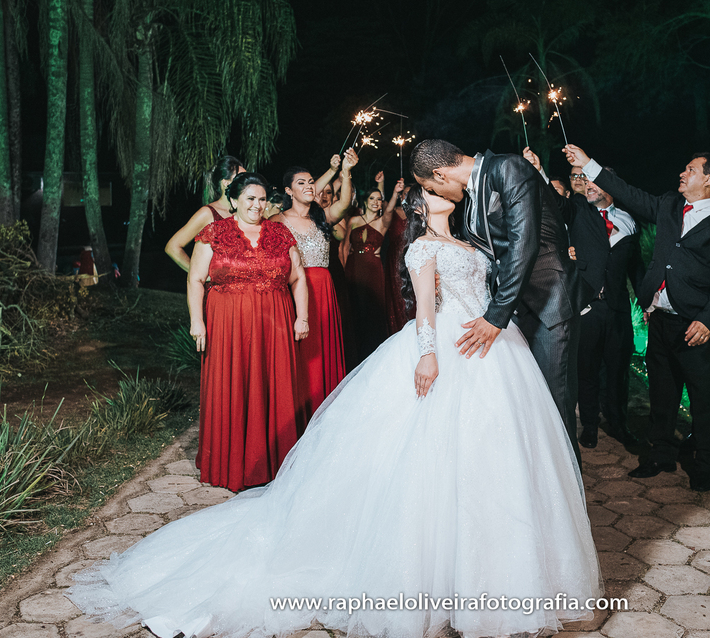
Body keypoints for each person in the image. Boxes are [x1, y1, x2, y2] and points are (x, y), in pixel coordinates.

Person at [66, 185, 601, 638]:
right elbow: (423, 309)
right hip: (447, 350)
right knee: (431, 463)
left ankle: (498, 573)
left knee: (495, 459)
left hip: (497, 351)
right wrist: (428, 355)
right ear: (420, 205)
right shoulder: (421, 249)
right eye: (435, 191)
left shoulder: (470, 240)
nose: (447, 194)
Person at [563, 144, 710, 492]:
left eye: (690, 170)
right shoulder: (670, 205)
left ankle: (705, 465)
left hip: (697, 328)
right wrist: (587, 163)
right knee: (661, 397)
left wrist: (708, 321)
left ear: (708, 179)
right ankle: (660, 455)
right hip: (660, 320)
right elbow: (627, 193)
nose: (682, 173)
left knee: (703, 401)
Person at [411, 139, 583, 460]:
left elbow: (524, 244)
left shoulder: (508, 168)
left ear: (440, 174)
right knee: (529, 412)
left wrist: (495, 316)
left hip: (548, 307)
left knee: (555, 413)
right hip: (516, 315)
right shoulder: (471, 202)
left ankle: (569, 505)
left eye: (429, 188)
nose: (434, 195)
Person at [187, 172, 310, 491]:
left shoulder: (280, 233)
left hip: (274, 324)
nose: (257, 205)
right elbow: (196, 279)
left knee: (273, 385)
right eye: (250, 199)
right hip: (228, 326)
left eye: (262, 199)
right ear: (234, 201)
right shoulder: (213, 233)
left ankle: (274, 463)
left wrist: (303, 317)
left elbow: (298, 278)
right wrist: (196, 321)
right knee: (234, 383)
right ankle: (232, 463)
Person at [524, 148, 642, 449]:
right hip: (586, 307)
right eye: (586, 182)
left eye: (594, 183)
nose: (587, 186)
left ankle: (619, 424)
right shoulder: (578, 209)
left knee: (617, 370)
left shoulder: (629, 221)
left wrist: (648, 301)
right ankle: (589, 425)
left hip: (617, 309)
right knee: (586, 370)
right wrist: (538, 170)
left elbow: (636, 267)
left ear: (610, 187)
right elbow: (553, 202)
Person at [273, 153, 358, 419]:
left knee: (323, 350)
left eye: (312, 182)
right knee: (302, 352)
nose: (310, 186)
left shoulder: (322, 217)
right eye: (302, 183)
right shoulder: (277, 221)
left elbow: (344, 202)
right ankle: (298, 409)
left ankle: (324, 410)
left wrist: (345, 171)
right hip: (296, 290)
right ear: (288, 190)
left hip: (324, 289)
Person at [344, 172, 405, 361]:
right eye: (372, 198)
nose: (376, 202)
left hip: (373, 269)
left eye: (379, 199)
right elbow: (346, 247)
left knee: (373, 311)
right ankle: (355, 352)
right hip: (354, 268)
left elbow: (389, 210)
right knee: (356, 309)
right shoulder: (353, 221)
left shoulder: (382, 222)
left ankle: (373, 353)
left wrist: (394, 192)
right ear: (365, 201)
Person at [164, 155, 245, 272]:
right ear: (226, 183)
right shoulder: (208, 213)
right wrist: (199, 274)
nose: (248, 182)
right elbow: (172, 247)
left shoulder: (245, 212)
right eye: (241, 179)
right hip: (217, 289)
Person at [383, 180, 413, 335]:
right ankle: (398, 332)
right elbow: (386, 211)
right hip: (395, 260)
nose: (406, 197)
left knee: (412, 296)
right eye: (404, 194)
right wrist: (394, 192)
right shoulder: (392, 212)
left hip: (412, 259)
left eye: (410, 194)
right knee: (398, 297)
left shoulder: (417, 214)